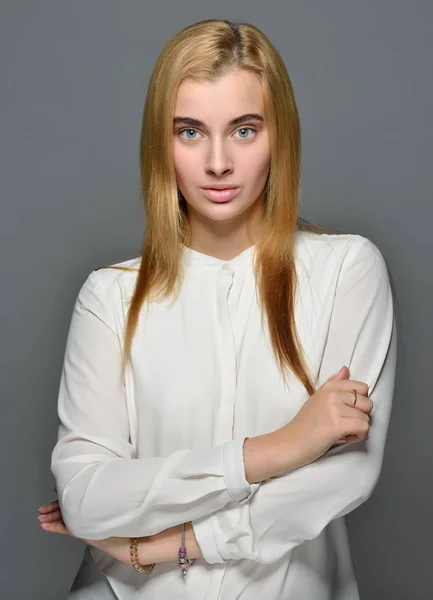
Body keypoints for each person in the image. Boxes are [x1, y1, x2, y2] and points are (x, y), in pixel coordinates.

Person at [37, 18, 398, 600]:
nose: (218, 162)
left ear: (280, 135)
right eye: (189, 132)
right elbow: (84, 499)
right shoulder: (109, 296)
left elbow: (345, 475)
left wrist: (161, 545)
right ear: (162, 141)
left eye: (244, 130)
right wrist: (277, 449)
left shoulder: (347, 271)